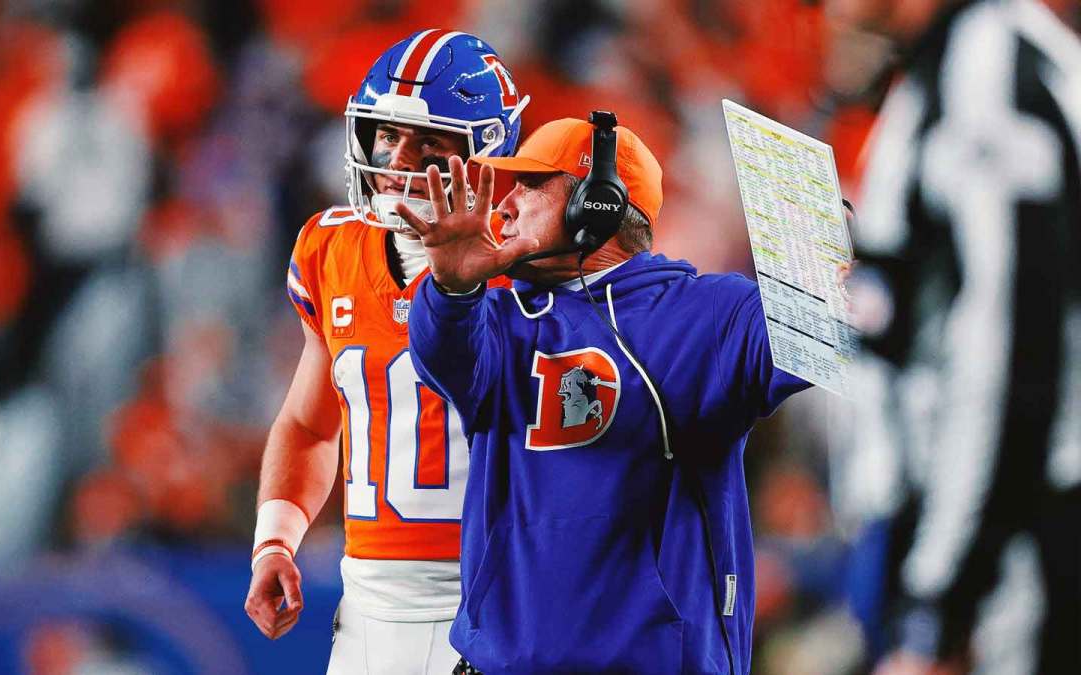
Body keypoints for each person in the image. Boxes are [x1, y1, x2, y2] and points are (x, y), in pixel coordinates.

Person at [399, 115, 813, 674]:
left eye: (531, 185)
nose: (505, 205)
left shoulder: (707, 314)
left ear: (596, 204)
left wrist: (799, 196)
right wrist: (452, 288)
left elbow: (822, 332)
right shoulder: (497, 318)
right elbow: (441, 353)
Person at [241, 29, 528, 674]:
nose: (397, 159)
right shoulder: (330, 248)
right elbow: (311, 425)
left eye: (430, 142)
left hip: (499, 606)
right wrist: (276, 542)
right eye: (386, 135)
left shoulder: (533, 266)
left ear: (487, 154)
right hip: (367, 608)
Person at [826, 0, 1081, 673]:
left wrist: (945, 604)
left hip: (1008, 556)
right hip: (971, 534)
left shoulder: (986, 64)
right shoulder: (950, 68)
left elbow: (1010, 346)